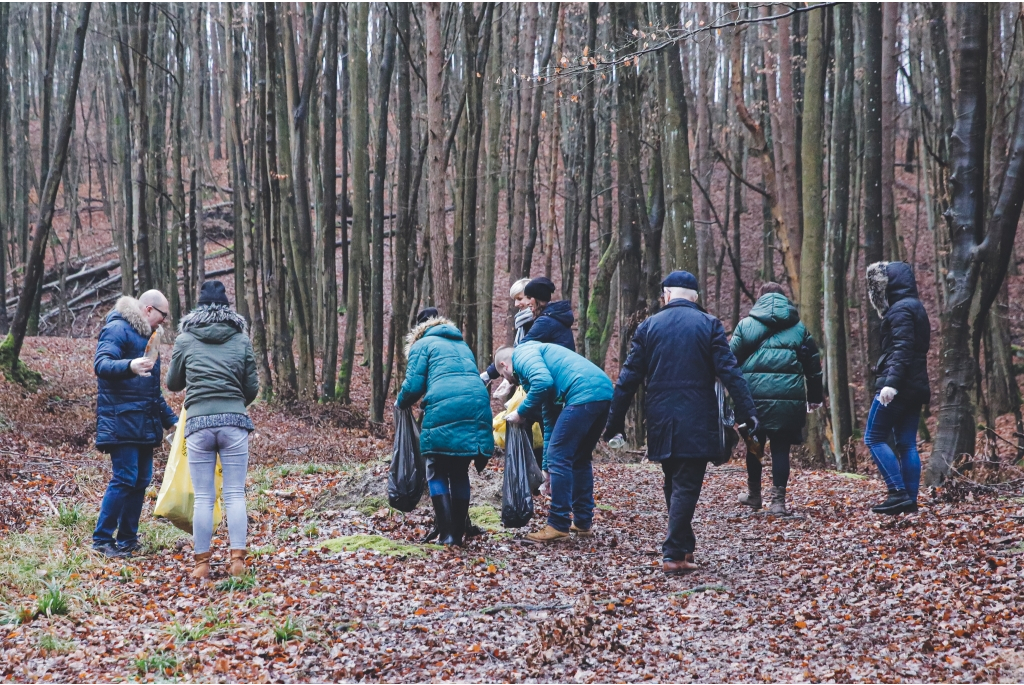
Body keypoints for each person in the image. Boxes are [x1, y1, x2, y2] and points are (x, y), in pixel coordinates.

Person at [604, 271, 757, 575]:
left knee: (673, 481)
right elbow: (730, 373)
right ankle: (674, 553)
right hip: (697, 417)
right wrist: (746, 413)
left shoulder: (648, 326)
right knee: (685, 483)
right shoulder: (709, 324)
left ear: (667, 295)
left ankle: (683, 545)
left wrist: (614, 423)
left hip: (660, 417)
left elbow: (627, 380)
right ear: (695, 297)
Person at [166, 281, 259, 579]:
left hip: (198, 425)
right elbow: (252, 387)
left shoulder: (186, 338)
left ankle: (201, 565)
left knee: (205, 497)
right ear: (227, 306)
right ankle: (237, 562)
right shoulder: (241, 339)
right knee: (234, 494)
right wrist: (233, 402)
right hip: (234, 423)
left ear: (199, 305)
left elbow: (173, 383)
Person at [495, 341, 613, 543]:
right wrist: (546, 470)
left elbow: (542, 382)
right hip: (603, 392)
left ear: (505, 366)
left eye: (504, 376)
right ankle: (583, 522)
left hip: (582, 392)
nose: (509, 381)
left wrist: (521, 412)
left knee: (561, 456)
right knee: (579, 458)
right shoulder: (539, 367)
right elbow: (550, 421)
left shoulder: (523, 354)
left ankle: (558, 525)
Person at [397, 307, 494, 546]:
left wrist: (400, 404)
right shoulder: (461, 344)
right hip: (477, 404)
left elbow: (413, 385)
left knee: (436, 468)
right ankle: (457, 534)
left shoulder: (422, 345)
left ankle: (448, 535)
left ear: (418, 329)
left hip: (445, 405)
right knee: (459, 470)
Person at [92, 290, 178, 558]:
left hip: (143, 421)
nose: (163, 322)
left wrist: (173, 422)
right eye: (162, 316)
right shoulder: (117, 327)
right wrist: (129, 365)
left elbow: (152, 391)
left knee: (141, 479)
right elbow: (101, 364)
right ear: (149, 310)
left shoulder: (148, 338)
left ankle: (128, 538)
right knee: (125, 478)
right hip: (121, 420)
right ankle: (102, 540)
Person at [730, 282, 824, 515]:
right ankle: (778, 502)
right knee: (781, 449)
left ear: (760, 300)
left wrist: (730, 395)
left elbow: (729, 361)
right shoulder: (800, 329)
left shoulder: (745, 326)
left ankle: (754, 496)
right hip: (788, 400)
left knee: (754, 447)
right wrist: (814, 397)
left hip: (752, 399)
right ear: (785, 300)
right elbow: (814, 366)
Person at [864, 261, 930, 515]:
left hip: (899, 384)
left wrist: (890, 383)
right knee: (906, 444)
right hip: (915, 385)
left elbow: (903, 349)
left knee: (874, 437)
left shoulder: (900, 311)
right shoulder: (916, 308)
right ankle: (909, 501)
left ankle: (897, 492)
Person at [519, 277, 575, 350]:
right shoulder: (555, 316)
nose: (527, 302)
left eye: (529, 298)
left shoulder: (545, 321)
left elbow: (521, 348)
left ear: (538, 298)